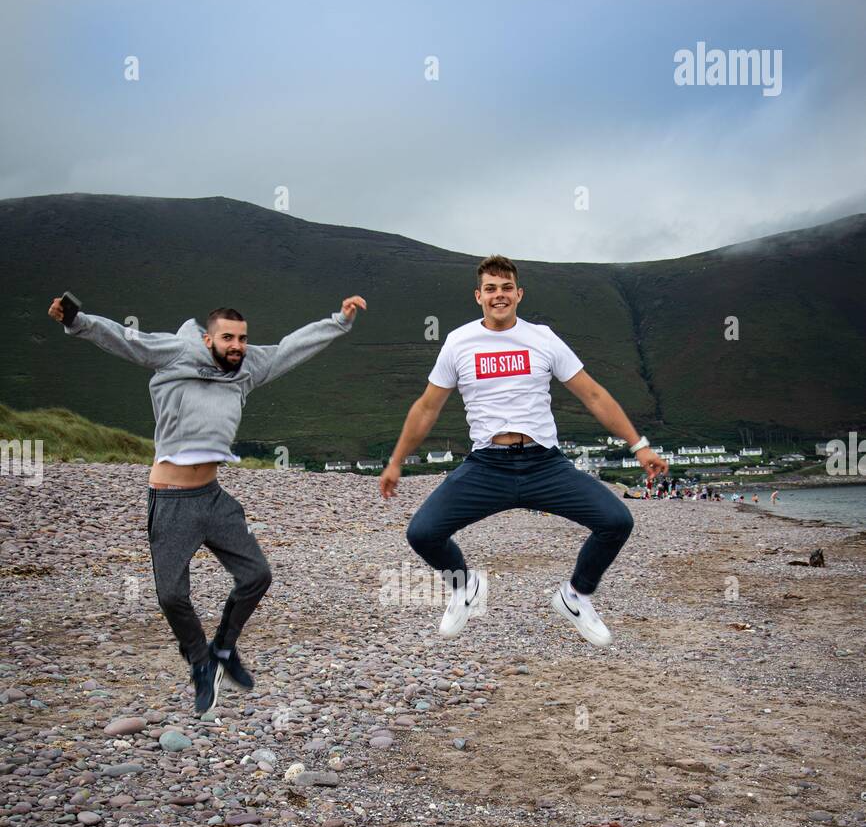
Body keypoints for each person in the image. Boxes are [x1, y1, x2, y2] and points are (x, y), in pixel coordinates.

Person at [49, 291, 366, 713]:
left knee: (256, 576)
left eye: (243, 338)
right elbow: (127, 340)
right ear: (208, 339)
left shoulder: (248, 366)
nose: (237, 345)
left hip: (213, 496)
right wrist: (77, 320)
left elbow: (292, 347)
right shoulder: (177, 353)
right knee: (171, 596)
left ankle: (223, 649)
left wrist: (339, 321)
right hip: (172, 498)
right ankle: (200, 661)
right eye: (228, 338)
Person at [378, 255, 667, 647]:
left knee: (617, 521)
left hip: (544, 464)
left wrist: (640, 446)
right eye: (491, 289)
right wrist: (396, 462)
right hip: (486, 467)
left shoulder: (542, 338)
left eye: (507, 288)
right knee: (423, 533)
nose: (500, 295)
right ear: (478, 296)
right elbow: (427, 407)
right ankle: (465, 586)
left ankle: (576, 596)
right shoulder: (459, 342)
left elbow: (593, 395)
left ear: (519, 293)